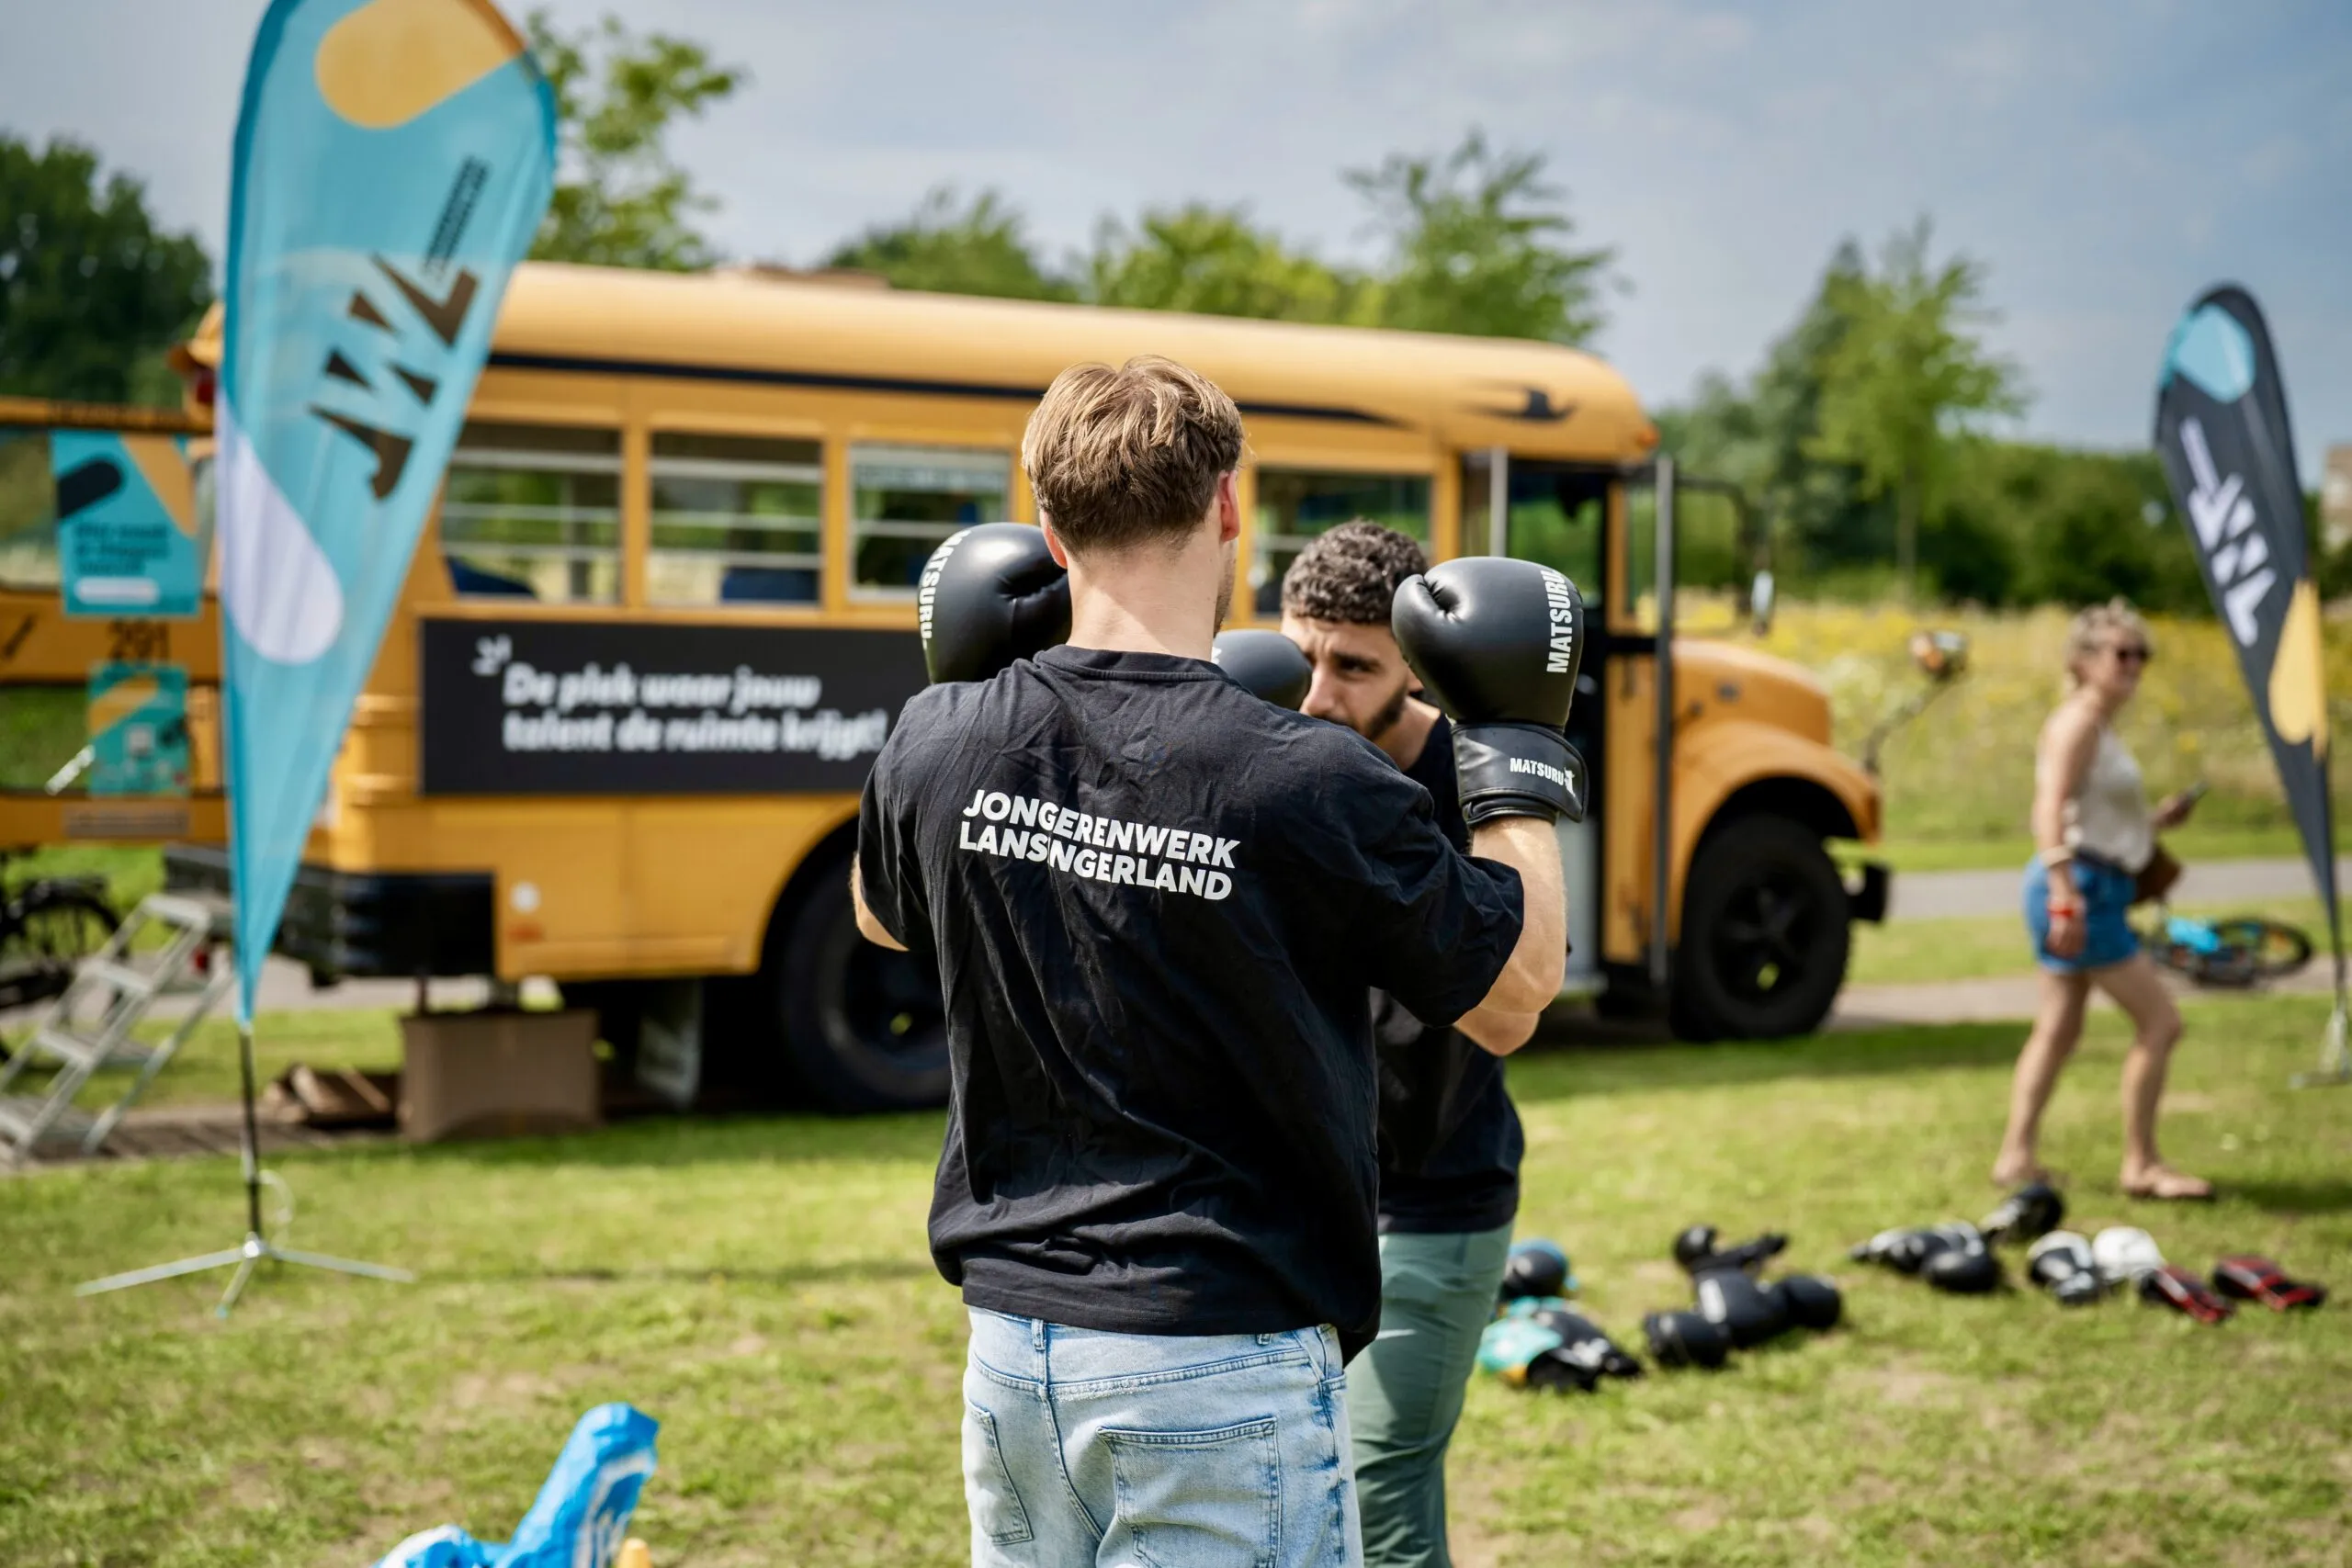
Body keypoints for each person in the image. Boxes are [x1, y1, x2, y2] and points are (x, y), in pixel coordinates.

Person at [850, 356, 1576, 1568]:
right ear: (1228, 505)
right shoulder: (1309, 778)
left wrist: (966, 709)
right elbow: (1515, 992)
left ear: (1045, 524)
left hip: (1016, 1347)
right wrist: (1515, 747)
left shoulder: (943, 733)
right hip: (1215, 1346)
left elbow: (881, 913)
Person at [1279, 522, 1549, 1568]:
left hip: (1432, 1201)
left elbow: (1493, 1011)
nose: (1316, 694)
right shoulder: (1280, 758)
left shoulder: (1469, 788)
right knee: (1299, 1504)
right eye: (1302, 655)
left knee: (1378, 1502)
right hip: (1299, 1211)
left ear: (1418, 669)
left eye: (1352, 667)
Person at [1995, 598, 2210, 1200]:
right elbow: (2048, 805)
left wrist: (2155, 819)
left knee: (2058, 1029)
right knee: (2161, 1023)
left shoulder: (2100, 726)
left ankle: (2015, 1157)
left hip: (2089, 882)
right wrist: (2065, 891)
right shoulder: (2077, 723)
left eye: (2143, 653)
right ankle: (2141, 1164)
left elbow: (2093, 813)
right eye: (2122, 652)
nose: (2135, 663)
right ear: (2083, 660)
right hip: (2080, 888)